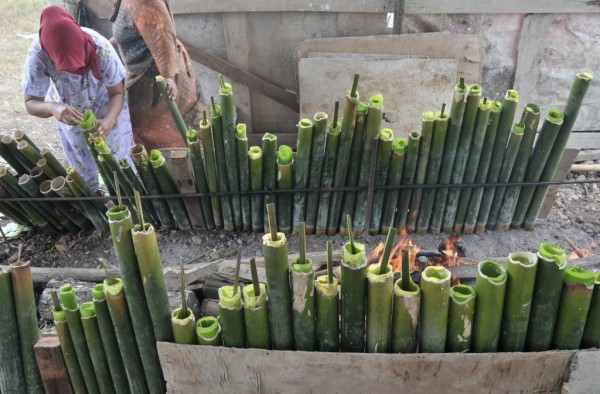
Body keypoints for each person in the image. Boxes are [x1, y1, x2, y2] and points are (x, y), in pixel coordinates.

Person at [22, 5, 135, 190]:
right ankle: (94, 203)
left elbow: (117, 92)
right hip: (69, 111)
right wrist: (53, 108)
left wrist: (108, 120)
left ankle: (124, 196)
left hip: (107, 103)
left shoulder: (100, 47)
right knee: (82, 166)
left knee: (119, 161)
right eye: (67, 68)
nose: (75, 71)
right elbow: (30, 103)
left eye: (79, 64)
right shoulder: (38, 55)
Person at [112, 0, 204, 150]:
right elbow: (129, 28)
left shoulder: (144, 3)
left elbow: (160, 34)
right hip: (141, 75)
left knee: (168, 136)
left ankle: (184, 168)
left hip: (156, 80)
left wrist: (168, 77)